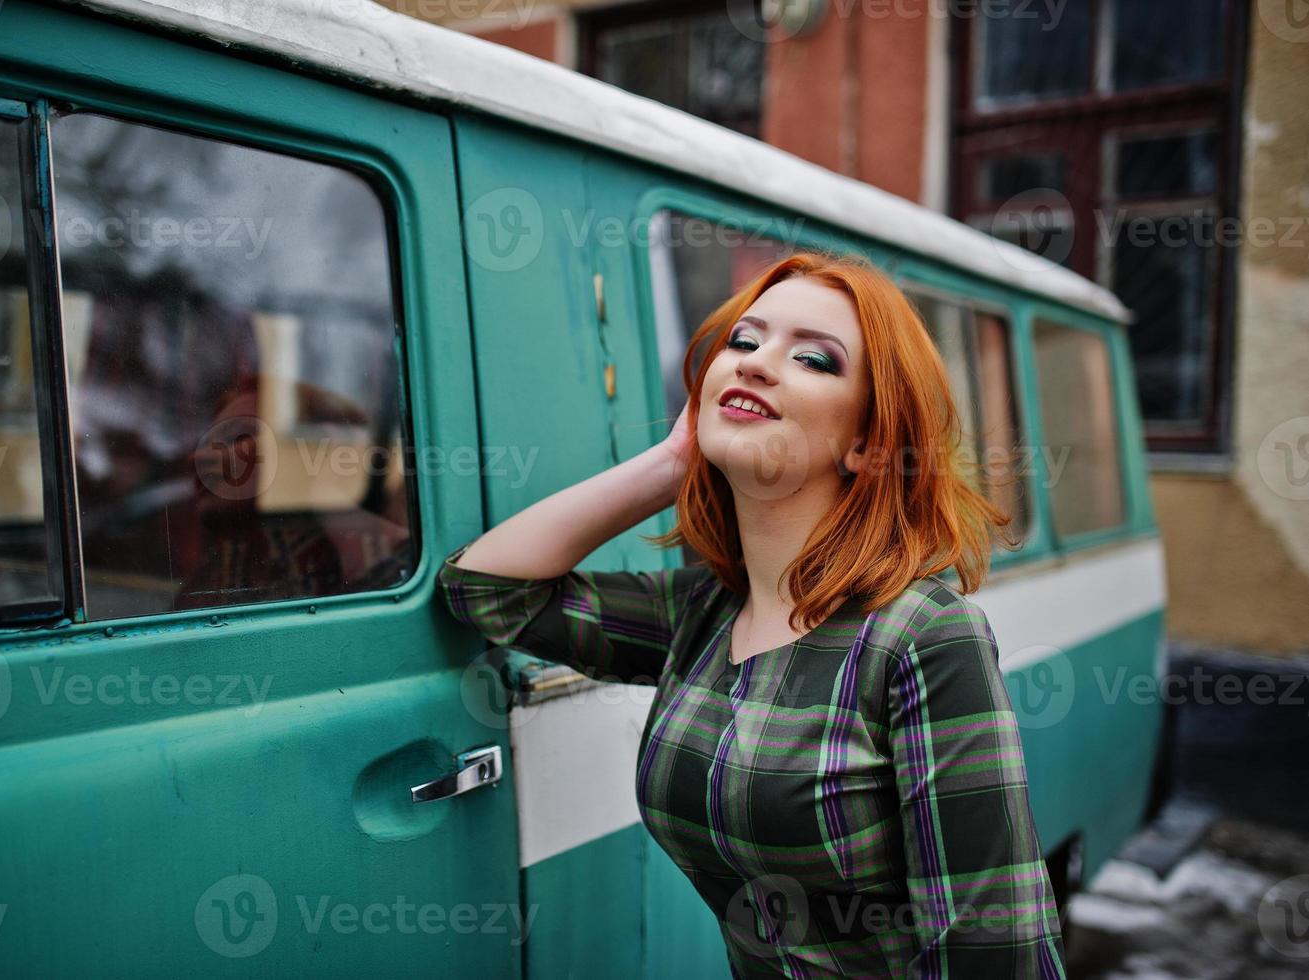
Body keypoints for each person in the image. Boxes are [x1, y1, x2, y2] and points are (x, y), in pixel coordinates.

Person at [436, 250, 1067, 978]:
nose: (757, 363)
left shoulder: (920, 636)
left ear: (866, 444)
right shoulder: (701, 610)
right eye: (743, 341)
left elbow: (996, 950)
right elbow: (486, 591)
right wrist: (673, 462)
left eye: (813, 359)